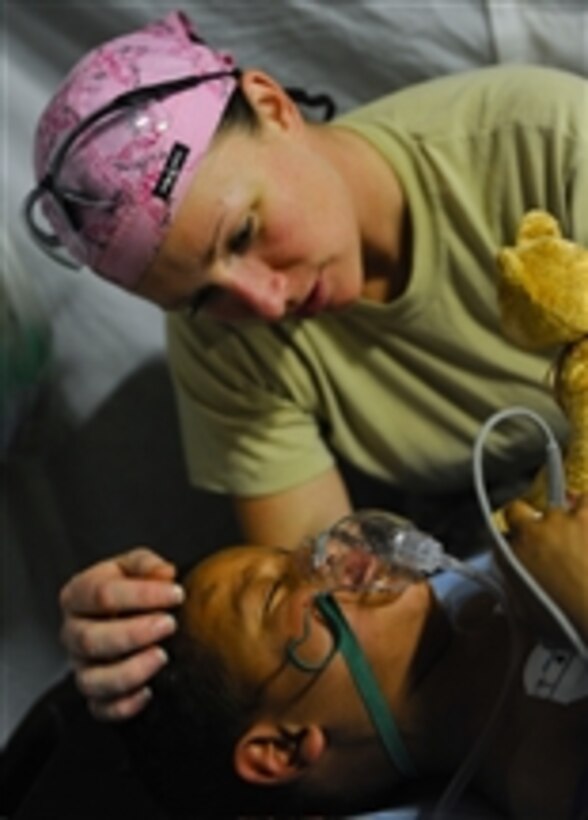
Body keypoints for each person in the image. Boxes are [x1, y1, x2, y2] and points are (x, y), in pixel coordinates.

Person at [25, 11, 587, 719]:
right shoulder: (222, 350)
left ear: (272, 103)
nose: (264, 301)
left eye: (246, 232)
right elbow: (341, 627)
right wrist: (168, 641)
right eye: (202, 298)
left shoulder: (544, 145)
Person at [117, 497, 588, 819]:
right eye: (277, 595)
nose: (329, 556)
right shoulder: (545, 769)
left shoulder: (488, 586)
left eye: (298, 553)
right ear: (280, 751)